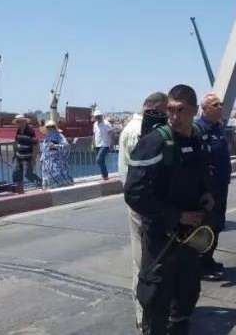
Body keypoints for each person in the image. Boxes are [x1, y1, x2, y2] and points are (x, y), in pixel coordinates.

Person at [124, 84, 211, 335]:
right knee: (156, 296)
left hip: (190, 237)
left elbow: (202, 174)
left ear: (194, 111)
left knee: (187, 291)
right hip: (161, 237)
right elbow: (134, 194)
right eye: (171, 109)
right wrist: (177, 215)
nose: (174, 116)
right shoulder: (154, 143)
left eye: (181, 110)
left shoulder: (196, 138)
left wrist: (206, 195)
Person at [117, 91, 169, 331]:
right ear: (157, 108)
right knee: (145, 262)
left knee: (143, 260)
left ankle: (146, 314)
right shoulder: (145, 132)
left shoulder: (129, 128)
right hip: (146, 206)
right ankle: (145, 315)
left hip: (135, 201)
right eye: (167, 109)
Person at [197, 92, 233, 281]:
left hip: (221, 185)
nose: (220, 107)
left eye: (221, 104)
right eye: (216, 104)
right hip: (208, 189)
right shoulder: (199, 129)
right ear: (205, 109)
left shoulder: (218, 127)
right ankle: (201, 265)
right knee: (207, 226)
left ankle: (209, 259)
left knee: (217, 224)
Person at [39, 120, 73, 189]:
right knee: (49, 184)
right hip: (47, 164)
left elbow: (66, 145)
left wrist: (56, 146)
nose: (50, 128)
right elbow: (44, 149)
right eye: (48, 127)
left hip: (57, 163)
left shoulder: (59, 135)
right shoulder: (46, 137)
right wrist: (42, 158)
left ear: (54, 127)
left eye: (52, 126)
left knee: (59, 183)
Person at [12, 114, 42, 190]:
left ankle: (41, 183)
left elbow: (36, 145)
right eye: (18, 122)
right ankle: (19, 189)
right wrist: (15, 154)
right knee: (16, 174)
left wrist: (33, 159)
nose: (19, 123)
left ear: (25, 121)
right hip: (19, 157)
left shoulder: (30, 131)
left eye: (21, 121)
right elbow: (16, 142)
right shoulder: (18, 131)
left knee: (28, 174)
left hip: (28, 158)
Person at [93, 109, 113, 180]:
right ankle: (105, 176)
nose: (97, 118)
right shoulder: (95, 124)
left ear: (101, 116)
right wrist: (93, 143)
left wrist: (111, 144)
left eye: (98, 116)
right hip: (98, 145)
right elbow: (94, 134)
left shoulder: (106, 123)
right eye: (96, 116)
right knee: (102, 161)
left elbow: (111, 134)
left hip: (105, 144)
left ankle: (105, 174)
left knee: (98, 159)